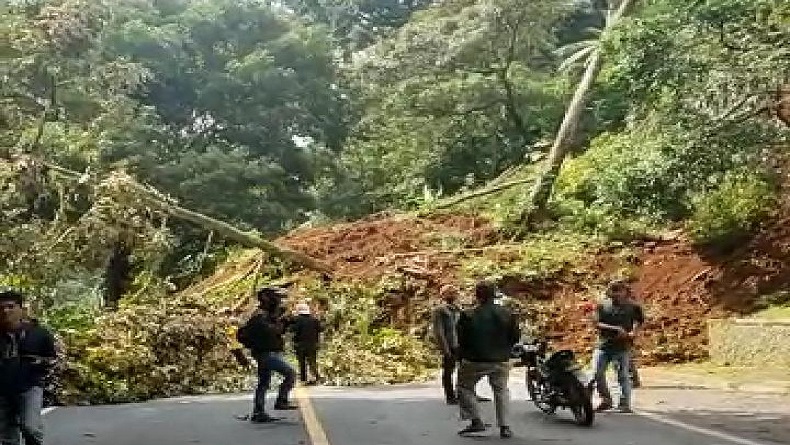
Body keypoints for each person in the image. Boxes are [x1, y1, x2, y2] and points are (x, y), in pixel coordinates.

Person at [456, 281, 520, 439]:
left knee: (464, 387)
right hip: (501, 359)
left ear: (477, 296)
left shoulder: (468, 315)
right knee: (501, 390)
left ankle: (476, 420)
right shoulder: (508, 313)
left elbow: (461, 339)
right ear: (494, 294)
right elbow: (515, 337)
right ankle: (505, 426)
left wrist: (462, 354)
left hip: (475, 359)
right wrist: (505, 349)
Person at [0, 289, 56, 445]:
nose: (6, 311)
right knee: (6, 437)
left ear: (21, 309)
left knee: (30, 428)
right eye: (2, 308)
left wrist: (40, 363)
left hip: (30, 387)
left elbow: (53, 359)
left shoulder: (39, 333)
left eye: (10, 307)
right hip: (3, 390)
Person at [237, 287, 297, 423]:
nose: (279, 303)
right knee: (290, 374)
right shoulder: (260, 318)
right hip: (265, 354)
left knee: (263, 383)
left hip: (263, 353)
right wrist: (283, 323)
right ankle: (281, 401)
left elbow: (276, 331)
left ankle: (258, 412)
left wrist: (284, 322)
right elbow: (271, 332)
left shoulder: (264, 316)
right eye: (276, 300)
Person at [591, 279, 644, 413]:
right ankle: (606, 399)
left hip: (622, 346)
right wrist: (616, 329)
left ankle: (625, 403)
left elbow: (638, 322)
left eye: (618, 291)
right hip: (603, 344)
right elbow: (596, 323)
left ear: (625, 292)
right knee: (597, 373)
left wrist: (633, 333)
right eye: (613, 291)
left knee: (623, 375)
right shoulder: (602, 305)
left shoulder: (633, 307)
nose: (616, 294)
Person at [432, 285, 462, 405]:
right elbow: (439, 331)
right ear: (443, 295)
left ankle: (464, 393)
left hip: (460, 344)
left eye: (454, 292)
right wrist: (445, 348)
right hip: (449, 344)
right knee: (448, 371)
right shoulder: (440, 310)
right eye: (449, 293)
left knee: (465, 371)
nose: (452, 295)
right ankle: (450, 396)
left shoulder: (457, 309)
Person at [289, 302, 322, 385]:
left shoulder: (297, 320)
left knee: (302, 362)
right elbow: (321, 329)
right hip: (312, 344)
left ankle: (304, 379)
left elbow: (292, 330)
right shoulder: (314, 320)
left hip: (300, 345)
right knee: (312, 361)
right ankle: (316, 378)